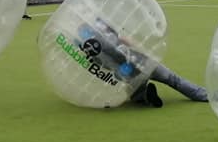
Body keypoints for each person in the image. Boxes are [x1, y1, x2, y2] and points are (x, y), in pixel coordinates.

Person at [77, 18, 208, 108]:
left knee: (135, 92)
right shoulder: (104, 31)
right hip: (141, 60)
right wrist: (145, 51)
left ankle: (144, 96)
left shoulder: (90, 50)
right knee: (173, 79)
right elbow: (126, 40)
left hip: (126, 71)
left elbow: (104, 66)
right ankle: (204, 95)